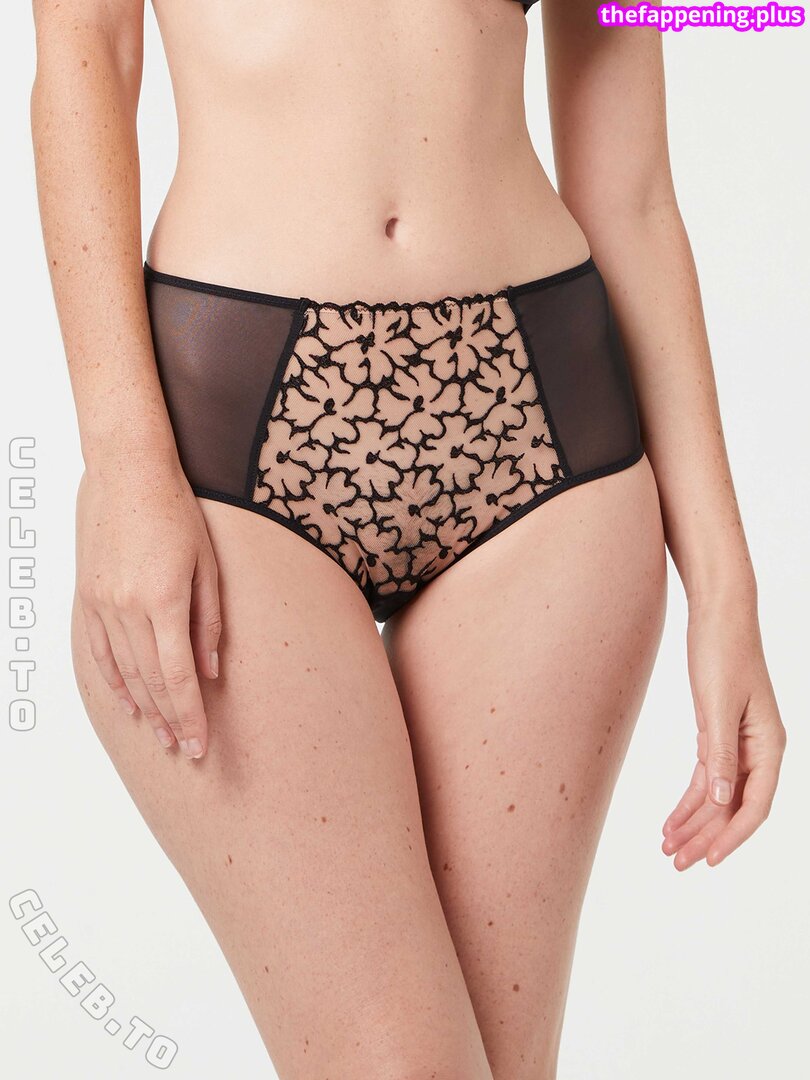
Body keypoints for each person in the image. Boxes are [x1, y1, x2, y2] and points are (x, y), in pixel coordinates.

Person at [30, 1, 786, 1077]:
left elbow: (634, 194)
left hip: (544, 438)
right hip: (231, 446)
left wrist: (726, 589)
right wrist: (121, 461)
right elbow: (85, 58)